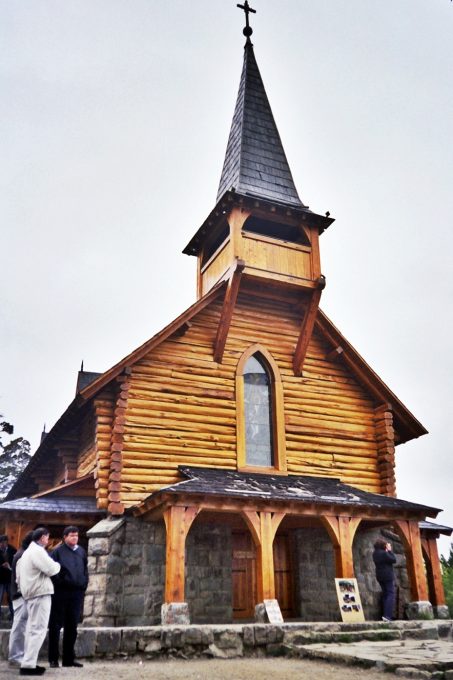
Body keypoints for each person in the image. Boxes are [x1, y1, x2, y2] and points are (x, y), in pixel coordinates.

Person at [16, 527, 61, 676]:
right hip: (39, 593)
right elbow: (52, 569)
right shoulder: (37, 551)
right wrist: (58, 565)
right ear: (42, 537)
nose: (48, 540)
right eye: (47, 537)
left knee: (31, 629)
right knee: (38, 630)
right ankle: (28, 665)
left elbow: (18, 577)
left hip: (30, 594)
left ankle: (28, 662)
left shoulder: (27, 553)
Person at [48, 526, 88, 668]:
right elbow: (52, 571)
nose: (75, 538)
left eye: (76, 535)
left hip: (76, 593)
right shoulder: (57, 552)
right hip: (60, 593)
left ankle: (68, 659)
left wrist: (84, 584)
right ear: (65, 537)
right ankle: (53, 659)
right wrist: (60, 583)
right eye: (71, 535)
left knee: (72, 627)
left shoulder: (81, 552)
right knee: (56, 626)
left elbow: (85, 569)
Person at [8, 531, 34, 668]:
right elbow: (21, 579)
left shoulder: (23, 554)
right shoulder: (22, 556)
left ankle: (19, 655)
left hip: (24, 595)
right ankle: (15, 656)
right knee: (19, 627)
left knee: (23, 627)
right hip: (22, 596)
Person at [373, 537, 397, 621]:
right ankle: (387, 615)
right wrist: (389, 550)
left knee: (385, 594)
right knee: (390, 593)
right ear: (383, 546)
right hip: (387, 575)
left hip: (379, 576)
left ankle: (385, 614)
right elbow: (393, 560)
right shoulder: (384, 553)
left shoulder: (375, 553)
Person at [0, 533, 17, 620]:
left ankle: (13, 615)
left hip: (10, 578)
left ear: (6, 542)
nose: (2, 544)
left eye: (3, 542)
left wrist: (9, 566)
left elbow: (17, 563)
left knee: (11, 598)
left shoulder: (13, 550)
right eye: (0, 543)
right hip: (0, 579)